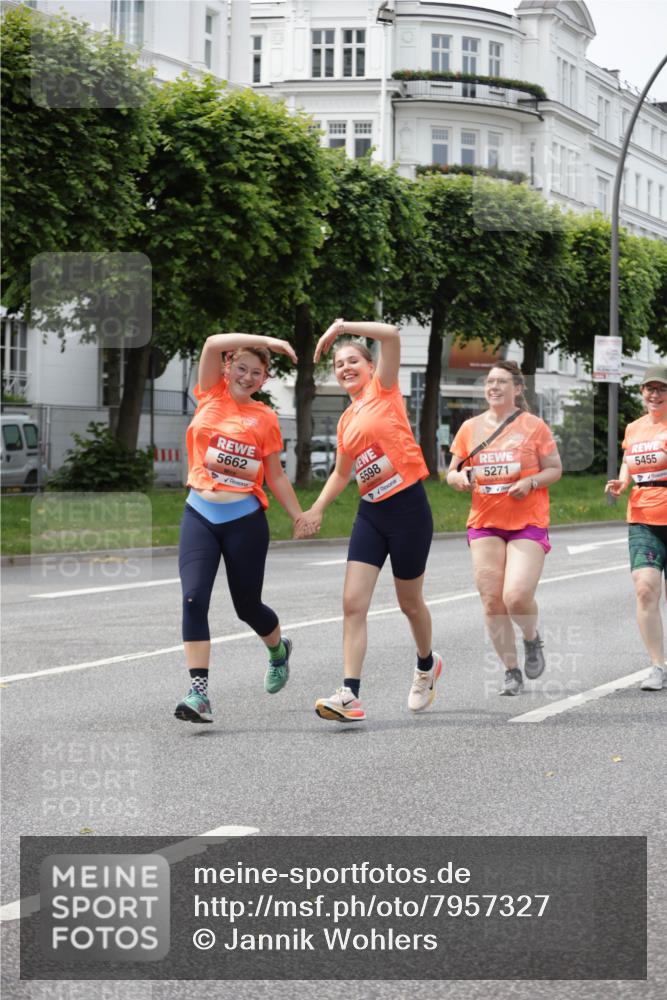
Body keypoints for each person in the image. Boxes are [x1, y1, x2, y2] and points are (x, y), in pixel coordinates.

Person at [296, 319, 442, 722]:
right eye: (338, 363)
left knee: (409, 603)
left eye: (352, 360)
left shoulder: (386, 389)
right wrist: (317, 508)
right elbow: (343, 473)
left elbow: (391, 335)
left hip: (408, 509)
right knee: (352, 603)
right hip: (371, 513)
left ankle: (427, 666)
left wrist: (339, 327)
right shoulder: (345, 421)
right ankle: (350, 694)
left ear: (370, 365)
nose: (344, 367)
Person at [175, 333, 303, 724]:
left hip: (244, 519)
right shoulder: (210, 393)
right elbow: (213, 341)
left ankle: (278, 648)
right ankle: (199, 695)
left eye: (257, 373)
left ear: (264, 381)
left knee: (247, 606)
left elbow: (276, 476)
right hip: (199, 512)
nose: (247, 377)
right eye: (241, 368)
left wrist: (299, 515)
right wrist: (270, 342)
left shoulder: (264, 417)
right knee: (194, 598)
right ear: (228, 368)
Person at [446, 361, 562, 696]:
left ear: (517, 389)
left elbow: (555, 469)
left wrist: (531, 481)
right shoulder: (469, 428)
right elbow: (452, 471)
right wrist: (459, 479)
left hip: (527, 520)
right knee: (492, 602)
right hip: (484, 522)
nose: (494, 387)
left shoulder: (534, 426)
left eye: (501, 382)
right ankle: (512, 671)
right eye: (489, 382)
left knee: (515, 596)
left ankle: (531, 638)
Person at [605, 365, 667, 692]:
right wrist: (623, 481)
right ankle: (657, 665)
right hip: (643, 516)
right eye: (649, 389)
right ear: (642, 392)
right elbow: (630, 459)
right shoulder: (634, 428)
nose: (654, 395)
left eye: (661, 389)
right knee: (645, 588)